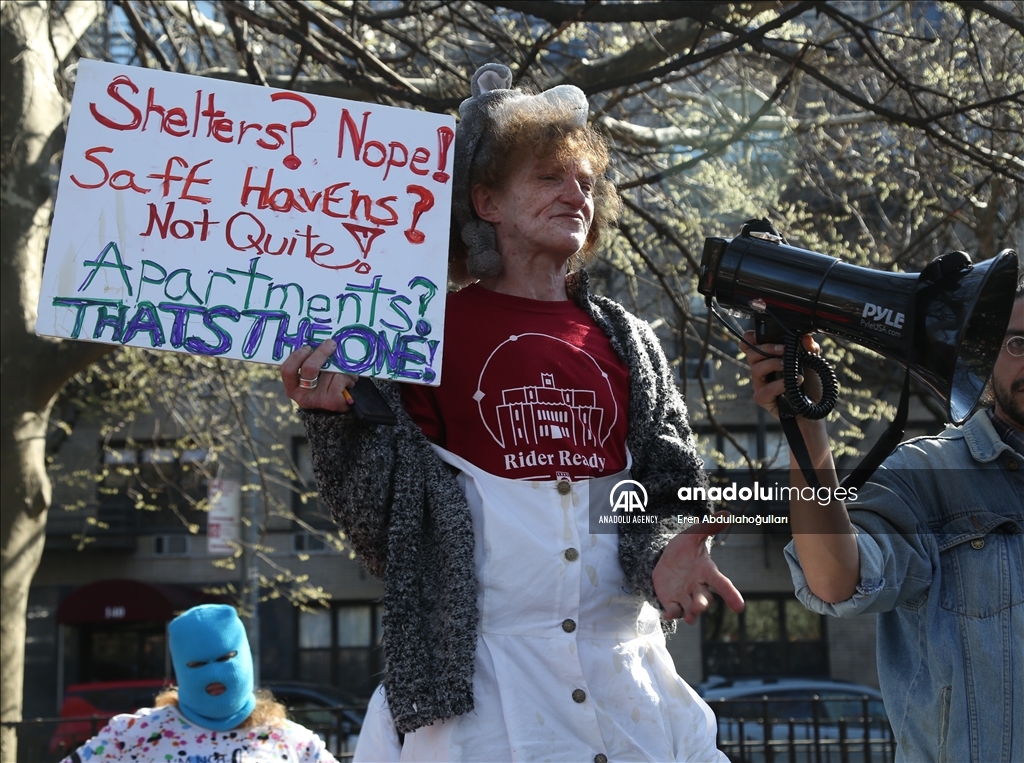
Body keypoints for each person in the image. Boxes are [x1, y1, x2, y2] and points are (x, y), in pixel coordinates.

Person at [281, 63, 742, 761]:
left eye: (585, 181)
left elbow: (665, 490)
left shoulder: (633, 342)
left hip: (629, 693)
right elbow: (380, 525)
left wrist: (661, 548)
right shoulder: (413, 332)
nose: (575, 193)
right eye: (550, 176)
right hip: (479, 701)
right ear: (486, 200)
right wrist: (334, 419)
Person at [743, 279, 1023, 762]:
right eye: (1019, 343)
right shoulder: (929, 476)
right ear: (985, 356)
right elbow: (835, 581)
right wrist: (806, 420)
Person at [61, 604, 337, 763]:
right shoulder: (132, 736)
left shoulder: (296, 743)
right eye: (197, 665)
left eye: (225, 658)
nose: (214, 675)